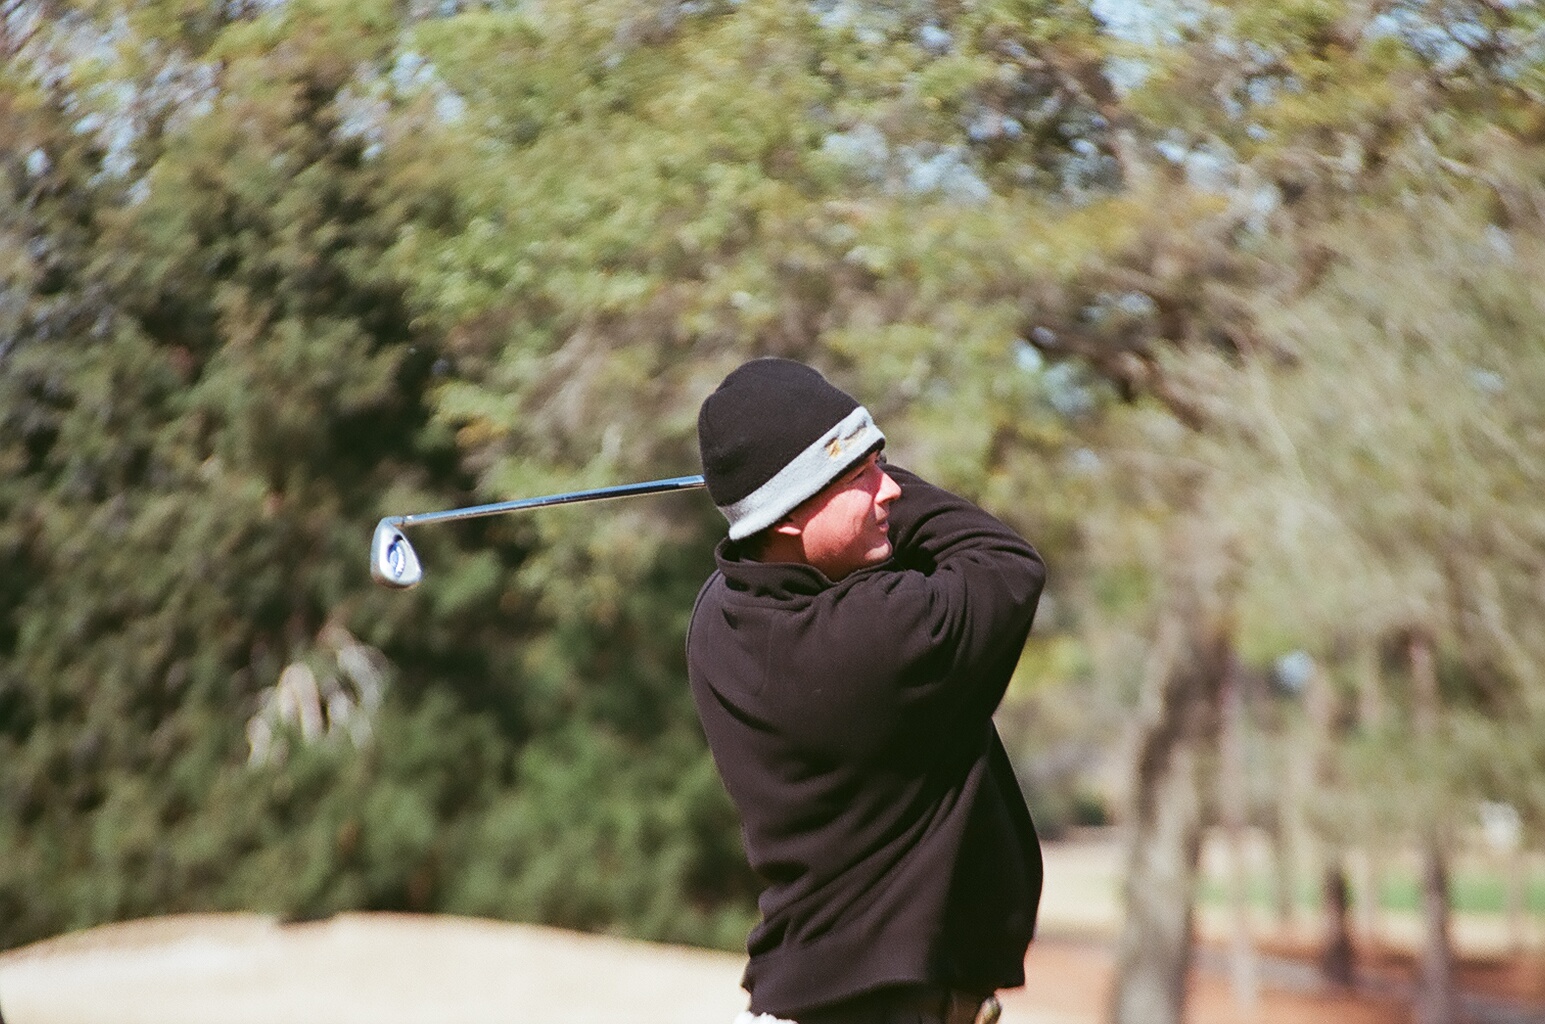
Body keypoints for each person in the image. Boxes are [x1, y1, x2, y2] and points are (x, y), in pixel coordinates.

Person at [687, 358, 1047, 1024]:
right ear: (787, 515)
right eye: (860, 477)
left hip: (821, 997)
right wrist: (817, 465)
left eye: (880, 466)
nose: (890, 491)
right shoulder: (877, 639)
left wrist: (813, 471)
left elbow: (765, 544)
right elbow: (1004, 562)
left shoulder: (716, 617)